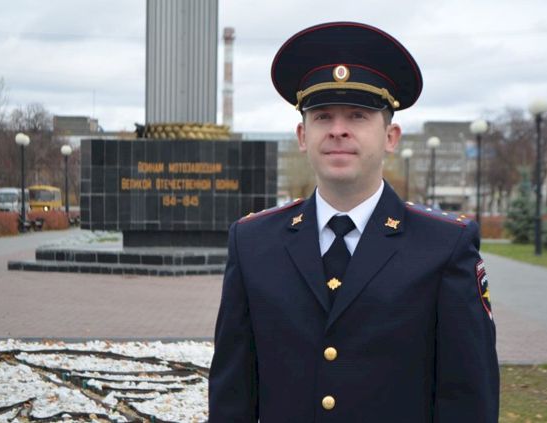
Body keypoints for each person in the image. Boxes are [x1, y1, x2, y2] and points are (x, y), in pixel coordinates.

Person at [209, 21, 499, 422]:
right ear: (302, 136)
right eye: (323, 116)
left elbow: (468, 396)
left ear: (391, 137)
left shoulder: (443, 245)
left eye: (358, 116)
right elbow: (232, 393)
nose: (338, 131)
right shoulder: (253, 243)